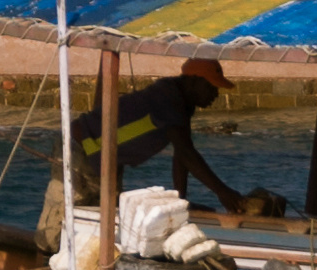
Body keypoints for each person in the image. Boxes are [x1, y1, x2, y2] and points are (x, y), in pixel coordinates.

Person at [68, 55, 252, 213]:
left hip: (107, 162)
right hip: (81, 149)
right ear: (194, 80)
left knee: (105, 219)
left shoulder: (183, 104)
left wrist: (180, 199)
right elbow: (187, 154)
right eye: (212, 87)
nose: (215, 94)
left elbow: (181, 154)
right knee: (62, 224)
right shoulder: (167, 98)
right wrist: (223, 192)